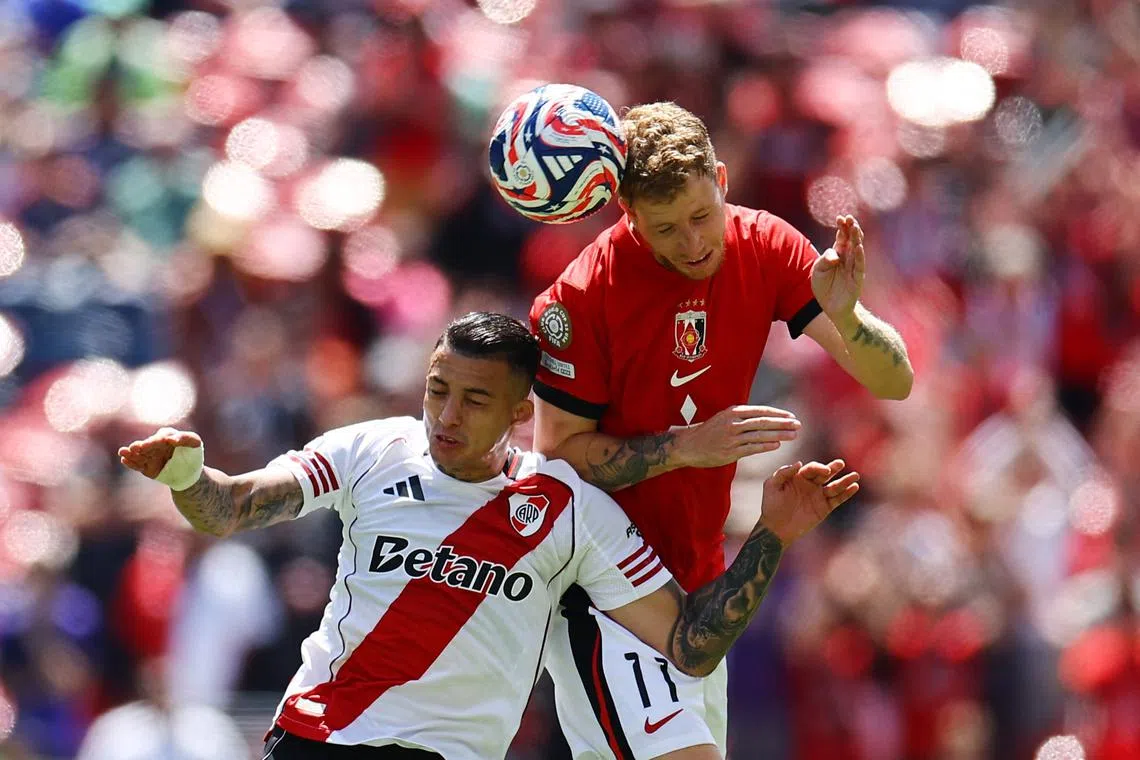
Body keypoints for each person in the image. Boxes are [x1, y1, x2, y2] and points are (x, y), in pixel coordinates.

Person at [118, 312, 859, 760]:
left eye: (475, 400)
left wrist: (771, 535)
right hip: (319, 739)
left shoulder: (568, 509)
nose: (445, 416)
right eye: (438, 389)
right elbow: (232, 509)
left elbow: (692, 643)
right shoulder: (371, 450)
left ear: (518, 414)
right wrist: (188, 475)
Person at [529, 102, 914, 759]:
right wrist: (688, 447)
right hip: (602, 592)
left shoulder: (765, 245)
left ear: (724, 181)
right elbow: (558, 458)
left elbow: (894, 380)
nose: (693, 242)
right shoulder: (580, 297)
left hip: (701, 587)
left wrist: (848, 319)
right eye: (666, 228)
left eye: (701, 216)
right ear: (628, 215)